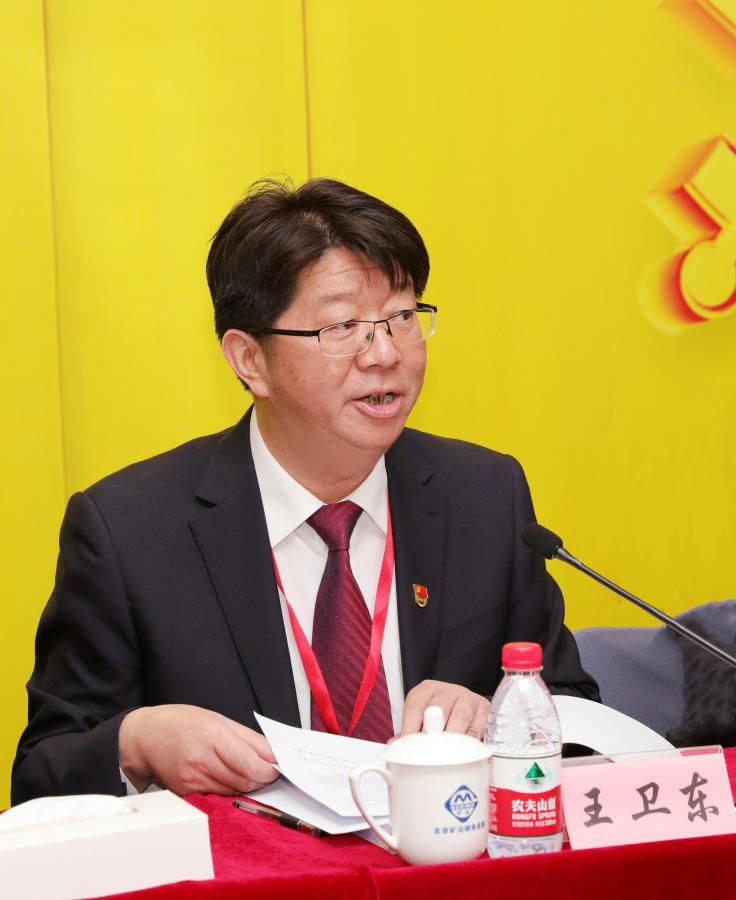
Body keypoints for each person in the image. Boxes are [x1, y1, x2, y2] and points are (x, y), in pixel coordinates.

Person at [12, 178, 599, 804]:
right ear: (250, 360)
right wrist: (135, 741)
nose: (384, 353)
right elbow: (42, 773)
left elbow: (580, 717)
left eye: (402, 317)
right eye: (342, 326)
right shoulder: (129, 531)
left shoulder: (485, 496)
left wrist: (501, 717)